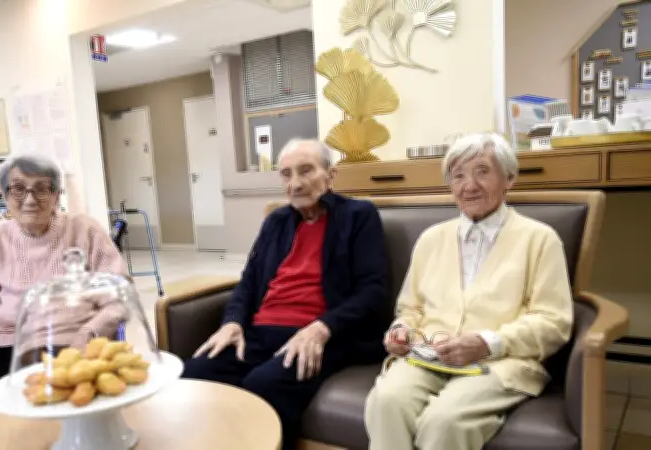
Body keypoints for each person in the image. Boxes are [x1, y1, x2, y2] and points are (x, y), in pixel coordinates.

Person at [364, 132, 573, 450]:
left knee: (445, 420)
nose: (469, 185)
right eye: (458, 175)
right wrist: (401, 330)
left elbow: (553, 322)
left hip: (502, 363)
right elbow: (411, 309)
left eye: (482, 171)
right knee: (386, 400)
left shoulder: (540, 239)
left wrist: (487, 343)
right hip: (429, 354)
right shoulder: (431, 239)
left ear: (509, 179)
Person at [182, 139, 391, 450]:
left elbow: (373, 290)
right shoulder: (276, 221)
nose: (295, 183)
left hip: (323, 334)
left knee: (263, 385)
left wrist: (322, 328)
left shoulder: (358, 215)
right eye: (286, 174)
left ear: (330, 176)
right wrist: (233, 322)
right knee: (195, 373)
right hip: (261, 331)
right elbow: (248, 282)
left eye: (306, 171)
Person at [0, 153, 128, 441]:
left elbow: (120, 293)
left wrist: (92, 331)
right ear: (4, 196)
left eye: (41, 188)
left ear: (57, 195)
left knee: (76, 412)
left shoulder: (85, 230)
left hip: (80, 345)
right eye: (18, 188)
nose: (30, 199)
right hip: (12, 350)